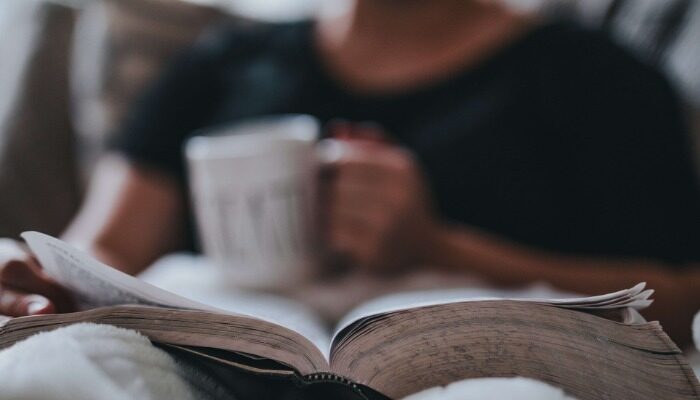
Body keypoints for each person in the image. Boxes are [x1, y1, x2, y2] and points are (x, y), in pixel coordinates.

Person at [1, 0, 699, 346]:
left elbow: (675, 295)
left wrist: (437, 247)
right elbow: (103, 245)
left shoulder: (595, 77)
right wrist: (30, 279)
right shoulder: (218, 67)